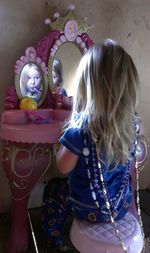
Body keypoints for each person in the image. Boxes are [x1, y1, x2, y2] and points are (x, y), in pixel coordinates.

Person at [42, 39, 145, 251]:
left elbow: (63, 167)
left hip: (88, 208)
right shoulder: (133, 126)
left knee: (53, 189)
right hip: (121, 208)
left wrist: (66, 142)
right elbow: (137, 161)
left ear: (86, 89)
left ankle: (54, 238)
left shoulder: (79, 130)